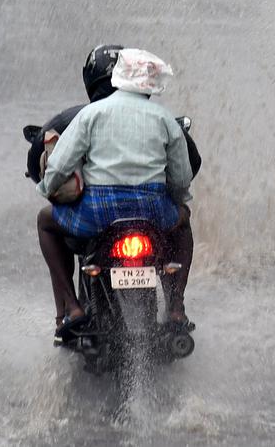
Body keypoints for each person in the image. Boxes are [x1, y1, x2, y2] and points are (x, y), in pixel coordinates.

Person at [34, 47, 196, 339]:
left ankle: (72, 308)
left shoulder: (91, 114)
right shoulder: (165, 120)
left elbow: (59, 165)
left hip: (98, 214)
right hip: (153, 212)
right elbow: (182, 178)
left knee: (45, 222)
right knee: (183, 222)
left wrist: (46, 188)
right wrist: (176, 201)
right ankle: (176, 307)